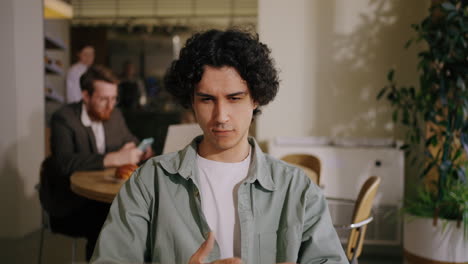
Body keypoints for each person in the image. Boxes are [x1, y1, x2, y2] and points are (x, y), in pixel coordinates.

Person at [91, 29, 348, 264]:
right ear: (191, 101)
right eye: (206, 99)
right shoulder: (150, 182)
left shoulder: (296, 188)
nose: (221, 116)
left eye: (235, 98)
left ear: (256, 98)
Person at [40, 65, 153, 261]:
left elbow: (130, 139)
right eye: (103, 99)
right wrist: (114, 158)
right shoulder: (64, 118)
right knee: (109, 220)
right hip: (70, 201)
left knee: (144, 213)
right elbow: (64, 163)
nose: (110, 105)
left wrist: (141, 150)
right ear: (85, 96)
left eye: (114, 98)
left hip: (105, 196)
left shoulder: (114, 114)